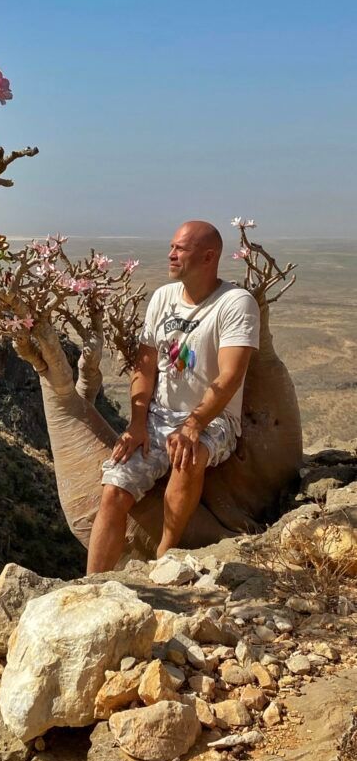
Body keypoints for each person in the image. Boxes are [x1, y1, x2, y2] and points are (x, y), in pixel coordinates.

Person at [87, 220, 260, 574]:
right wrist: (137, 424)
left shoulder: (236, 303)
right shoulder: (163, 298)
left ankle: (163, 559)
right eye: (172, 247)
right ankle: (90, 582)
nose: (171, 254)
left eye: (180, 249)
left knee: (189, 456)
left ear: (208, 256)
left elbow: (230, 376)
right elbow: (145, 365)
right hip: (158, 415)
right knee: (113, 489)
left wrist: (194, 424)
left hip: (214, 417)